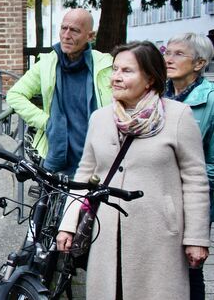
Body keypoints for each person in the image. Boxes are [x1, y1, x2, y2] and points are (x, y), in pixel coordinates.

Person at [56, 41, 210, 299]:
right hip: (106, 234)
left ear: (149, 78)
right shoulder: (100, 118)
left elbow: (195, 180)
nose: (116, 77)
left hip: (159, 235)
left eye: (127, 71)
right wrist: (68, 225)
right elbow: (84, 176)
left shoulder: (178, 116)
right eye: (115, 69)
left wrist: (196, 237)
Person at [7, 8, 113, 176]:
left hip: (98, 161)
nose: (66, 35)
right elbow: (15, 95)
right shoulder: (47, 64)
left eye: (75, 30)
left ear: (90, 36)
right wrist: (46, 122)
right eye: (64, 28)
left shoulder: (105, 66)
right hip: (57, 160)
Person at [163, 32, 214, 300]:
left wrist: (179, 174)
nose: (168, 59)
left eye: (178, 54)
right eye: (167, 52)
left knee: (191, 270)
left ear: (199, 63)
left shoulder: (212, 101)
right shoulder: (157, 93)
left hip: (192, 201)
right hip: (157, 199)